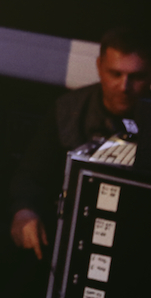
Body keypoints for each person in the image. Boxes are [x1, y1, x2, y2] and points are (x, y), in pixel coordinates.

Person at [9, 27, 150, 259]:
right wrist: (24, 211)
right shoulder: (68, 110)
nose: (124, 87)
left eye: (136, 77)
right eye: (115, 74)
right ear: (99, 67)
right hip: (71, 230)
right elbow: (31, 175)